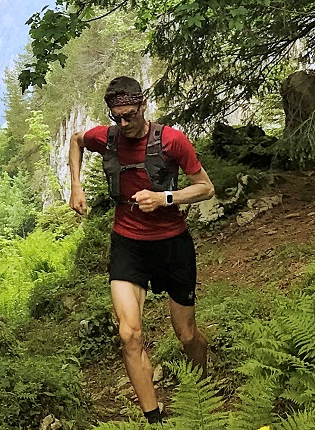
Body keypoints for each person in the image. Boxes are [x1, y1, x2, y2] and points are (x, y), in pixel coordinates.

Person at [69, 76, 215, 424]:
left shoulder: (173, 141)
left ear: (142, 106)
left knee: (187, 334)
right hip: (128, 245)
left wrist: (164, 198)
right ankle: (154, 419)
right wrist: (76, 185)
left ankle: (200, 391)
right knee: (128, 334)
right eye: (117, 116)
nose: (123, 123)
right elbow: (76, 141)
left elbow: (205, 188)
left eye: (129, 115)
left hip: (171, 245)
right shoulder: (105, 137)